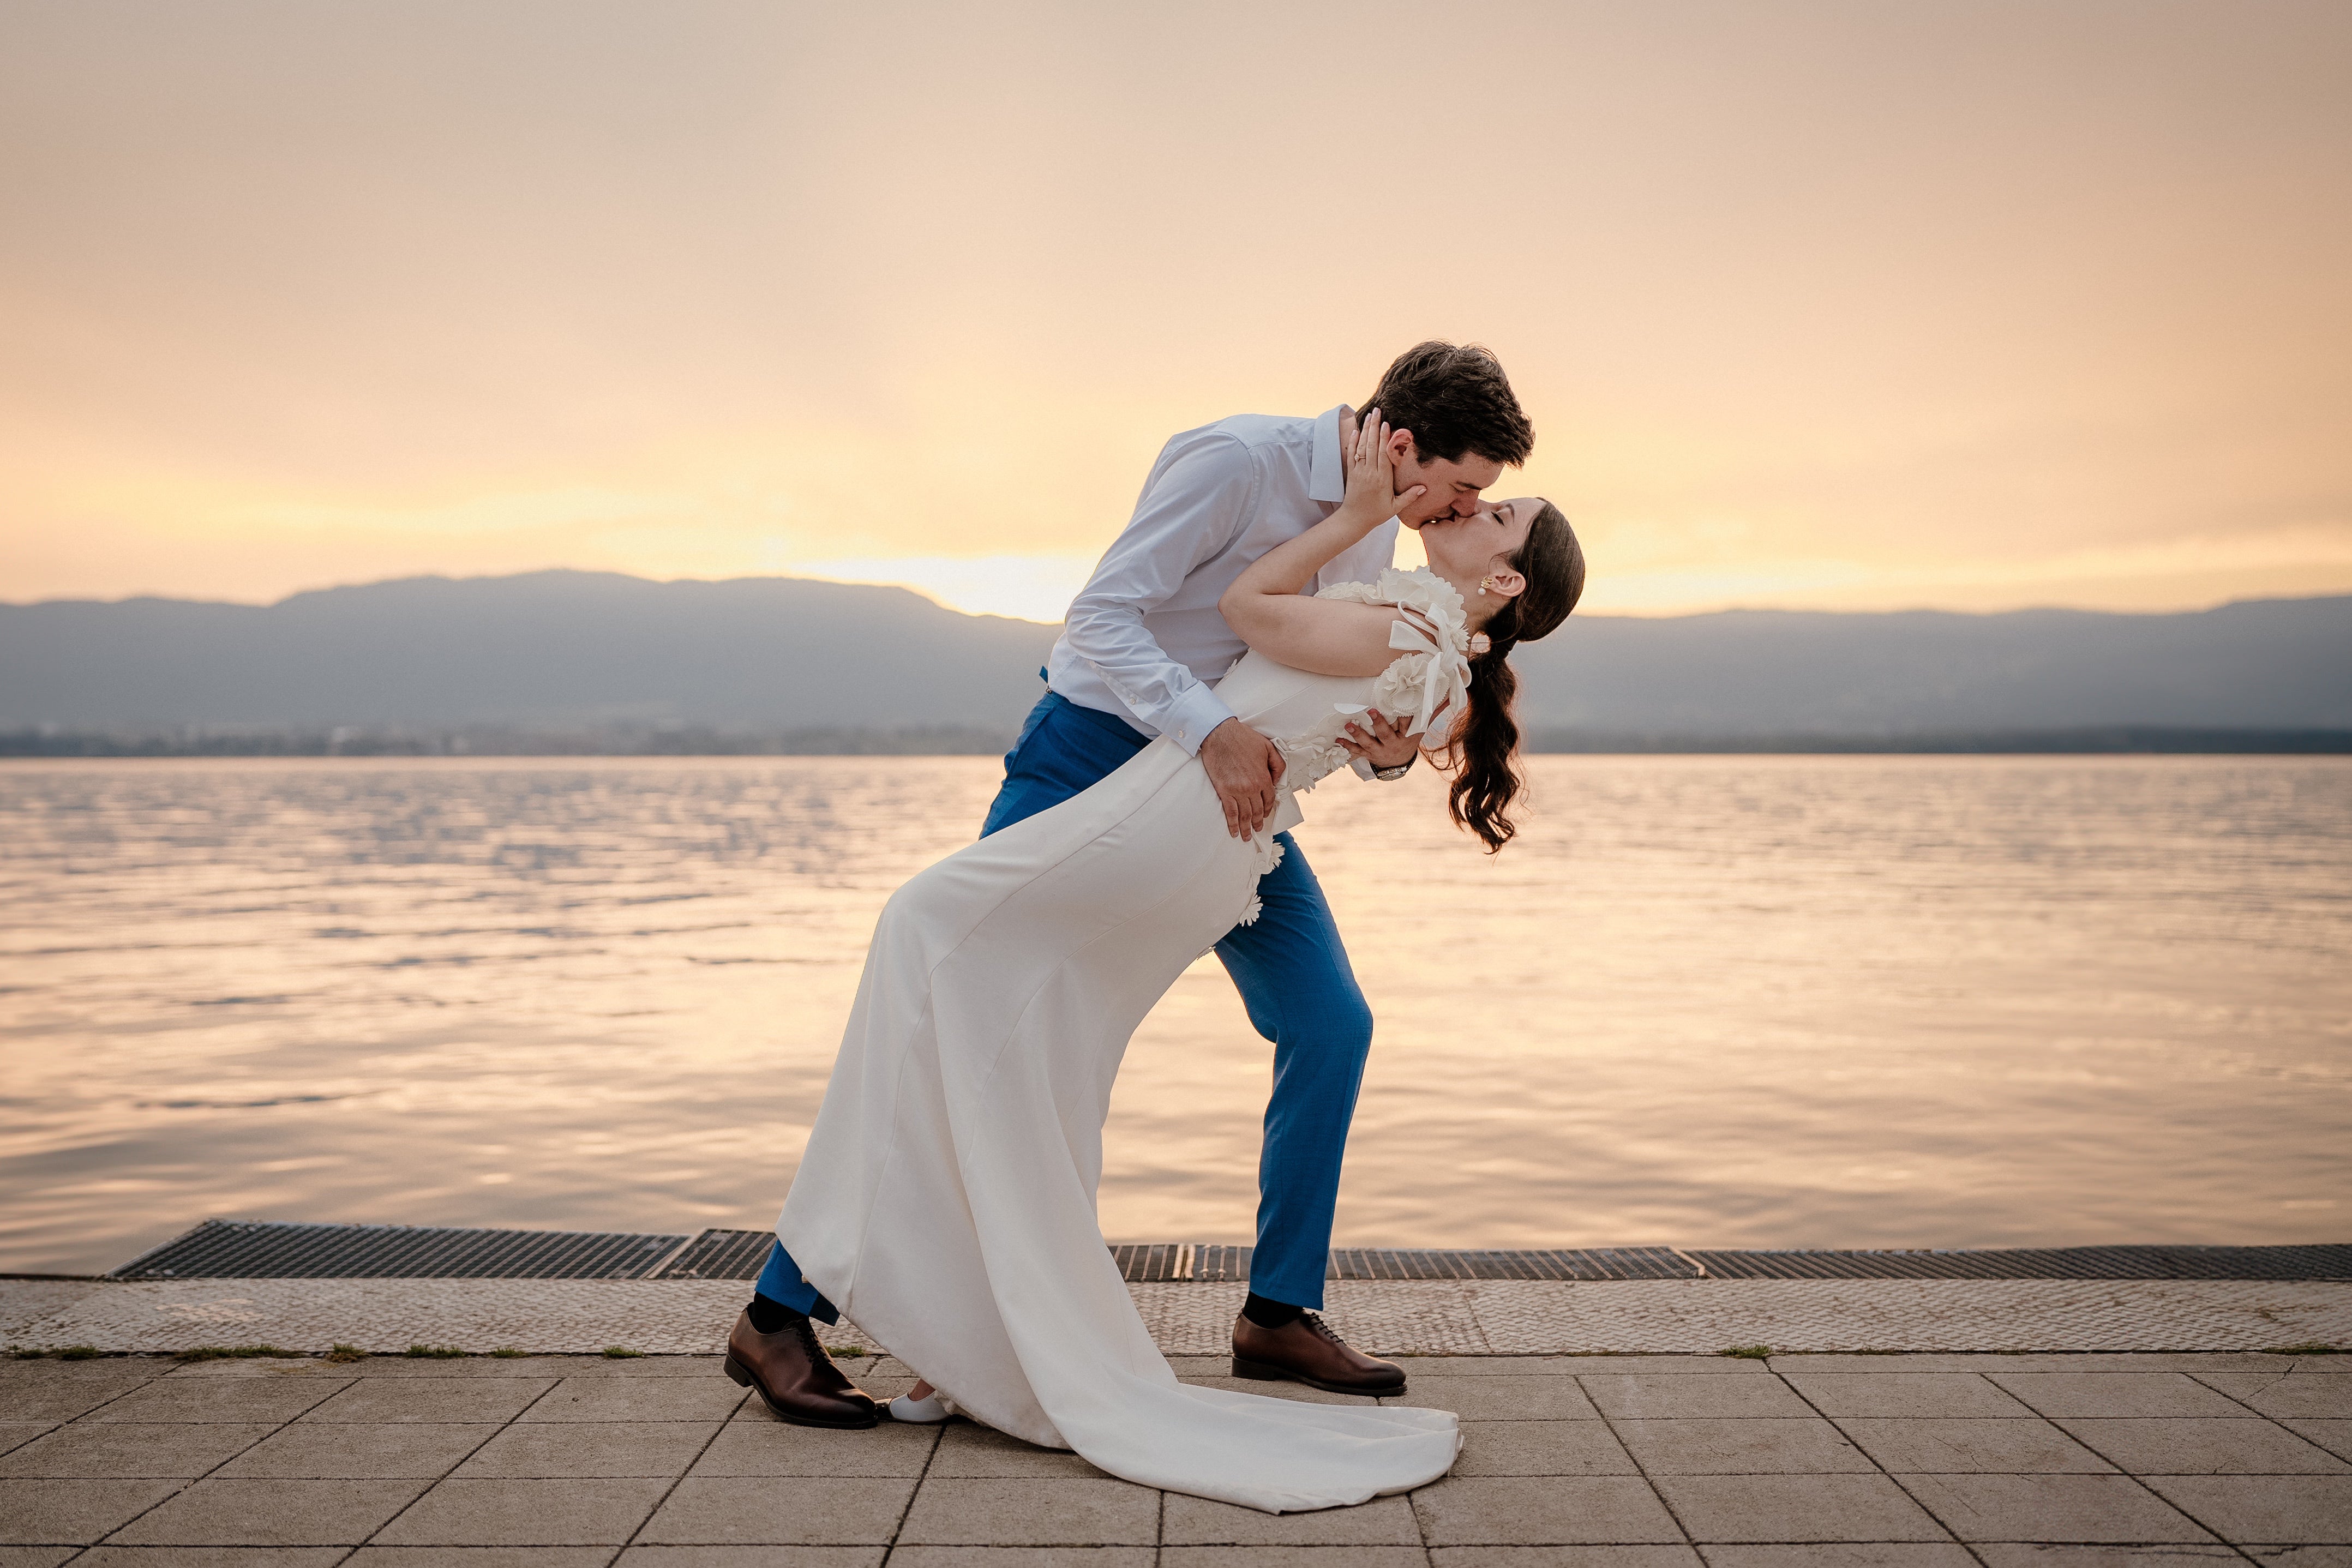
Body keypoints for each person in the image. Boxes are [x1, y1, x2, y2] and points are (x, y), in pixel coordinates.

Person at [725, 352, 1585, 1511]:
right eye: (1457, 489)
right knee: (969, 1007)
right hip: (1095, 762)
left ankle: (1276, 1313)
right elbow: (1101, 623)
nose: (1460, 511)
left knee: (1329, 1021)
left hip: (1239, 812)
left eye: (1480, 503)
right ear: (1398, 447)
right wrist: (1209, 727)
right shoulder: (1232, 460)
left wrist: (1379, 756)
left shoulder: (1384, 533)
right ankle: (780, 1313)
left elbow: (1353, 690)